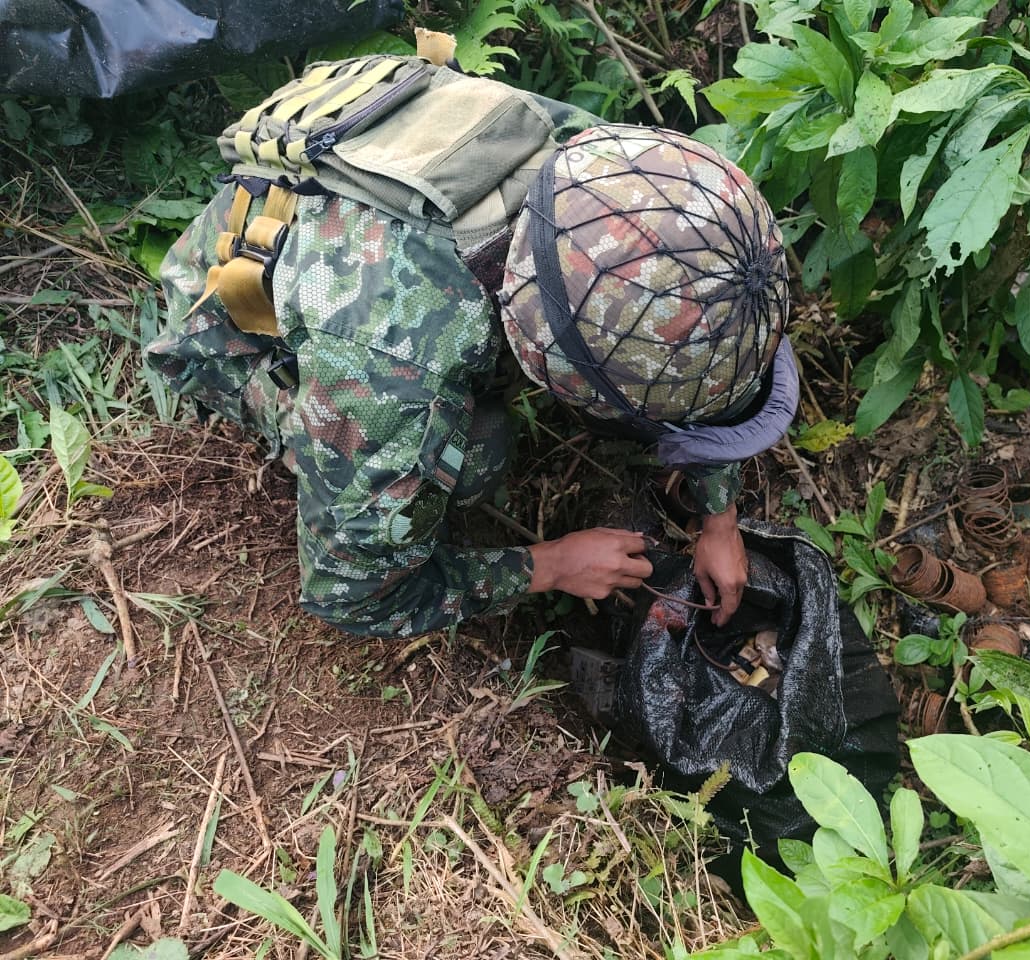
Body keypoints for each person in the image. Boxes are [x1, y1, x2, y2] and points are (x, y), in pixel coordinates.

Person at [145, 56, 796, 639]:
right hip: (234, 324)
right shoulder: (398, 372)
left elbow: (712, 353)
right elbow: (351, 600)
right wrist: (550, 566)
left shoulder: (615, 182)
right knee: (476, 458)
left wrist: (719, 519)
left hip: (367, 204)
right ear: (560, 370)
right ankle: (301, 423)